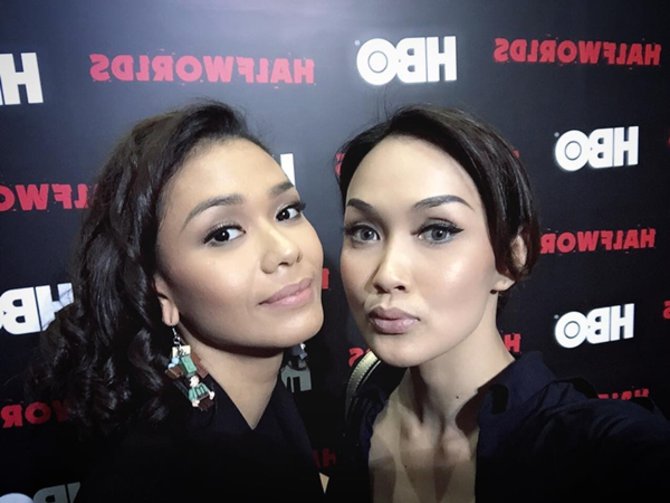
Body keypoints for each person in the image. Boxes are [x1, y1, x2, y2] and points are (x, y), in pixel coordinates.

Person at [325, 105, 670, 502]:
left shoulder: (600, 450)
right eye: (364, 232)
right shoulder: (366, 400)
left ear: (511, 258)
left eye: (437, 231)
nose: (387, 274)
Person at [27, 100, 326, 502]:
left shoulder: (227, 399)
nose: (286, 250)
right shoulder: (164, 474)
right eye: (223, 234)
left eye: (286, 212)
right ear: (158, 290)